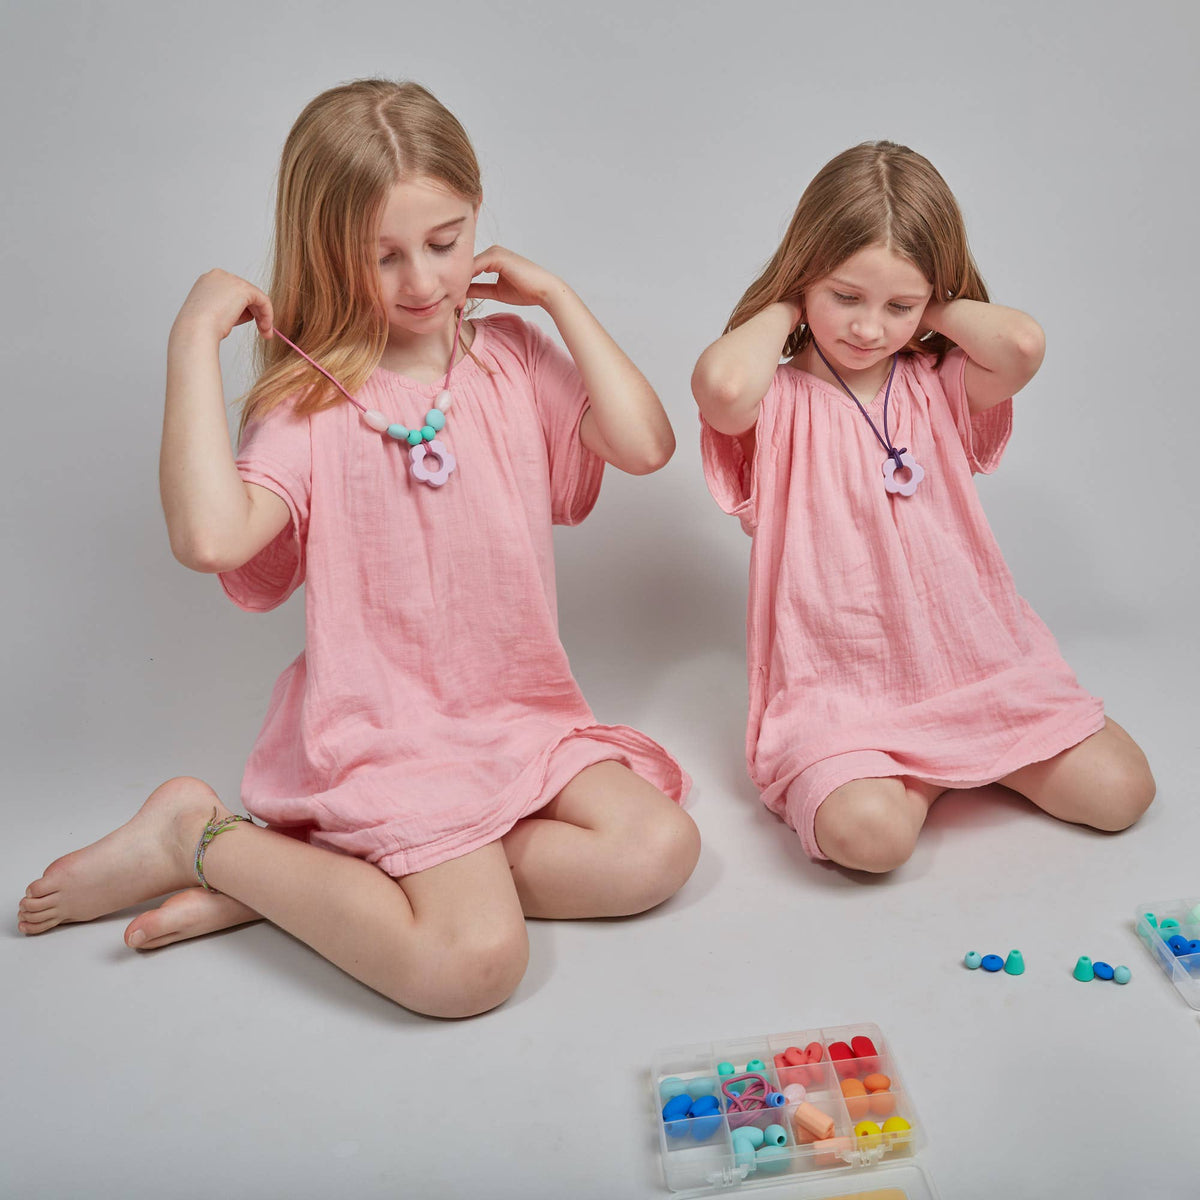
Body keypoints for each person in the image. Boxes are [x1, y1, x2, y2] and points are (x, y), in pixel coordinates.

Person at [18, 80, 699, 1014]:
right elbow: (210, 537)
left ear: (477, 219)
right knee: (469, 968)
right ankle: (197, 838)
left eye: (445, 241)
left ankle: (317, 891)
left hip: (513, 721)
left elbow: (647, 445)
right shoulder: (313, 406)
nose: (422, 282)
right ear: (325, 254)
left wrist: (558, 299)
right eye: (382, 257)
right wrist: (190, 339)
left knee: (657, 851)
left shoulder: (508, 357)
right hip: (389, 737)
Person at [692, 140, 1153, 873]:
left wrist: (928, 302)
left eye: (897, 306)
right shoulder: (776, 401)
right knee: (869, 842)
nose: (868, 328)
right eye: (845, 296)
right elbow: (719, 387)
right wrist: (787, 303)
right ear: (807, 275)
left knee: (1125, 791)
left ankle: (960, 757)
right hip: (844, 693)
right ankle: (922, 773)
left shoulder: (938, 380)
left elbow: (1023, 345)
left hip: (978, 666)